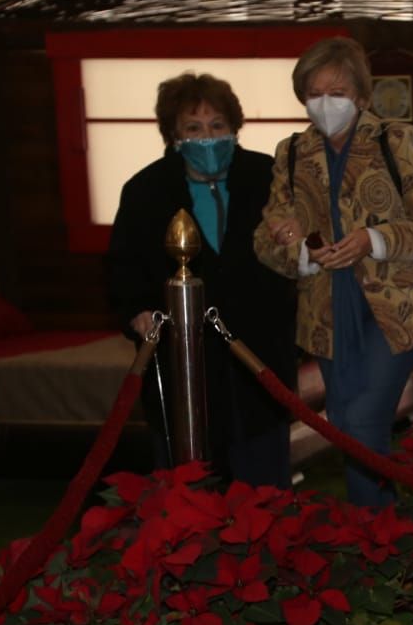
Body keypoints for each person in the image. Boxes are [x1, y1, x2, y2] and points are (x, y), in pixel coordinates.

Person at [254, 37, 413, 507]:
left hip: (398, 310)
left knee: (366, 418)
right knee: (347, 423)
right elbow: (266, 241)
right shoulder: (291, 153)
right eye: (314, 93)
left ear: (363, 97)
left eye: (338, 92)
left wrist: (374, 239)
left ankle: (375, 535)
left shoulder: (398, 140)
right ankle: (385, 524)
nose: (325, 104)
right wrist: (296, 246)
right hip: (328, 311)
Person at [106, 72, 296, 488]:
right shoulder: (144, 190)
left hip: (259, 358)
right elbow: (123, 268)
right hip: (180, 363)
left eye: (217, 126)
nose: (207, 137)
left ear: (234, 127)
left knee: (265, 486)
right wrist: (137, 312)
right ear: (173, 134)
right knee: (188, 490)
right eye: (193, 128)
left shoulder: (270, 177)